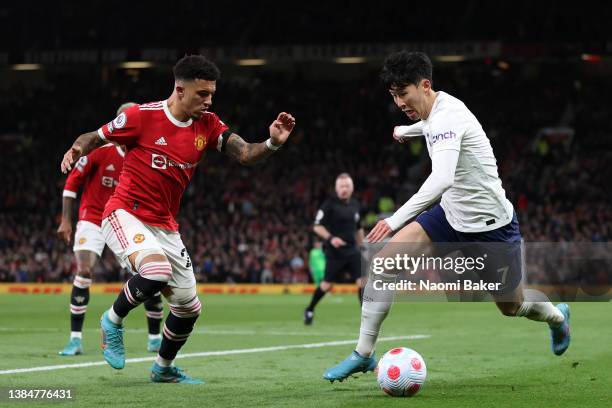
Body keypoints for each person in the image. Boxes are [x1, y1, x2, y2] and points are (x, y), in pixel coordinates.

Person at [323, 51, 570, 382]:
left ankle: (557, 318)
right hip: (449, 216)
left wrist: (394, 220)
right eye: (394, 96)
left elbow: (442, 179)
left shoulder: (447, 116)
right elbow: (431, 127)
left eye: (403, 94)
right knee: (384, 265)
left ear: (425, 85)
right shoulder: (439, 109)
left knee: (512, 307)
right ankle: (364, 354)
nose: (399, 102)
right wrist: (408, 131)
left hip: (490, 227)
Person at [60, 54, 295, 384]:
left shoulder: (208, 125)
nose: (209, 101)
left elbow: (244, 154)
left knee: (189, 307)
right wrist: (74, 150)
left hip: (166, 226)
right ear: (180, 89)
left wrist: (271, 142)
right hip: (124, 213)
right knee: (156, 271)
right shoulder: (139, 116)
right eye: (203, 94)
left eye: (212, 94)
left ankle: (163, 368)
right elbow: (93, 138)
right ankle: (112, 320)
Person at [57, 102, 164, 356]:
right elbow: (72, 183)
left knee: (148, 272)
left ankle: (154, 338)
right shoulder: (99, 151)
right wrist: (66, 219)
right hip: (93, 218)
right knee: (83, 271)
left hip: (126, 221)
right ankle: (75, 340)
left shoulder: (144, 153)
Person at [304, 173, 365, 325]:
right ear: (336, 189)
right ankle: (310, 309)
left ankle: (366, 317)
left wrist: (363, 245)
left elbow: (358, 228)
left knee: (363, 282)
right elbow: (317, 226)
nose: (344, 189)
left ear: (352, 188)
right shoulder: (329, 204)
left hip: (352, 251)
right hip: (335, 252)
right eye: (341, 186)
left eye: (347, 186)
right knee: (326, 285)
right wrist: (331, 238)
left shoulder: (356, 205)